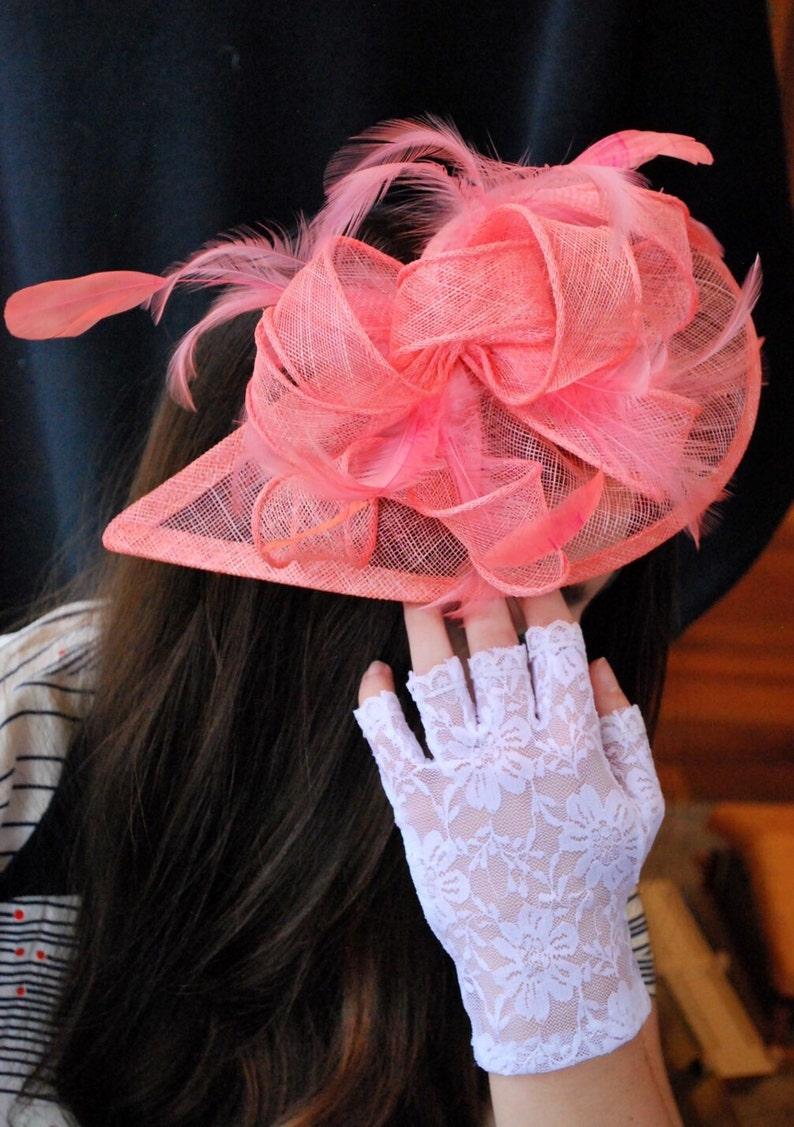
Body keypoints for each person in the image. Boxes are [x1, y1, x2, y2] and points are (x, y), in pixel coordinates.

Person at [1, 120, 761, 1125]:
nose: (546, 652)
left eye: (576, 588)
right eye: (516, 573)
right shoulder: (28, 738)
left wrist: (551, 989)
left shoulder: (547, 800)